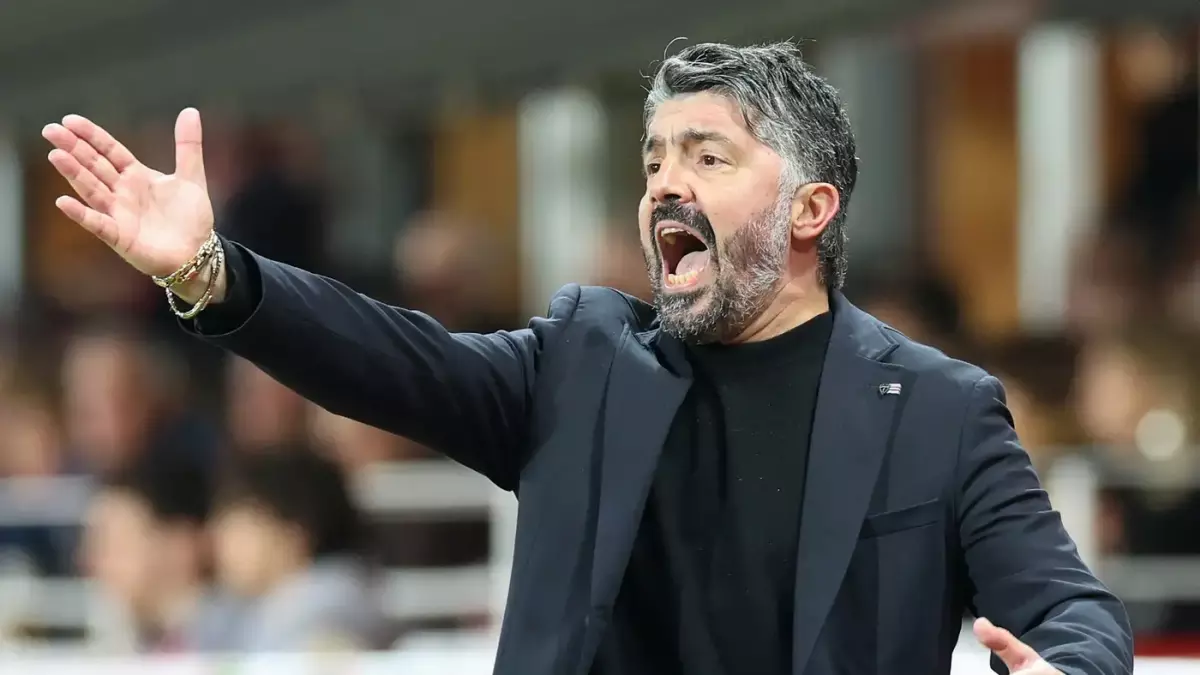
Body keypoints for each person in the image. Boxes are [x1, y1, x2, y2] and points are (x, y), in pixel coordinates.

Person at [40, 41, 1131, 675]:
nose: (665, 184)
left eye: (708, 157)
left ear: (810, 209)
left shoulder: (938, 410)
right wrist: (214, 272)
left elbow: (1073, 612)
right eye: (653, 160)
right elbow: (388, 357)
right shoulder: (583, 362)